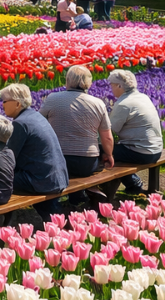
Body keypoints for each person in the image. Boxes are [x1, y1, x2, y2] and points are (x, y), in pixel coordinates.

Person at [39, 65, 114, 206]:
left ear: (67, 81)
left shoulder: (53, 99)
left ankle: (78, 197)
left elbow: (38, 122)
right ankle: (83, 193)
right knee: (95, 151)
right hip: (87, 163)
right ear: (89, 83)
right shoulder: (98, 103)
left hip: (58, 160)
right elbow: (107, 137)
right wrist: (108, 155)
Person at [0, 84, 68, 216]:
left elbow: (8, 158)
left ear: (17, 104)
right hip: (57, 176)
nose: (2, 104)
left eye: (5, 101)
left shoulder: (20, 123)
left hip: (41, 180)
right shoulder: (35, 116)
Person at [107, 69, 162, 195]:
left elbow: (109, 130)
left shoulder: (124, 104)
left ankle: (129, 185)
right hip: (156, 149)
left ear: (119, 86)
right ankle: (132, 184)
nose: (110, 87)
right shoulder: (143, 97)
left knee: (100, 150)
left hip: (140, 152)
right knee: (112, 150)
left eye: (111, 84)